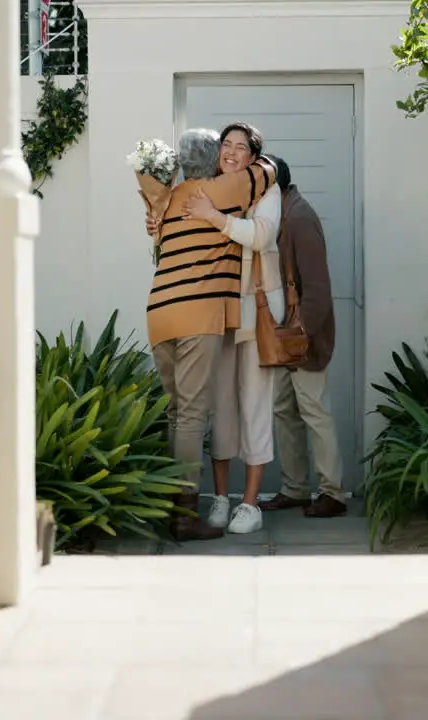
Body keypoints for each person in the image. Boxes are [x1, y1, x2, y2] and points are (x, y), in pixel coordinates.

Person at [146, 128, 279, 541]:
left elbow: (155, 233)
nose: (232, 154)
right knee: (190, 415)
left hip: (159, 314)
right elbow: (271, 172)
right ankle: (184, 516)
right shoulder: (222, 192)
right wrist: (261, 159)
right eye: (226, 147)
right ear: (214, 157)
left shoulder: (167, 201)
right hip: (196, 315)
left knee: (175, 412)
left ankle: (172, 508)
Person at [181, 125, 285, 534]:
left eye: (241, 147)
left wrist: (214, 218)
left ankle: (250, 504)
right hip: (216, 309)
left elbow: (261, 236)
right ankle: (221, 499)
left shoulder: (265, 191)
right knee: (220, 407)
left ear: (252, 157)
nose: (231, 152)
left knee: (255, 404)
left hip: (255, 312)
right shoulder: (207, 186)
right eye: (226, 144)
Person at [258, 156, 347, 518]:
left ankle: (334, 493)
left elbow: (318, 289)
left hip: (301, 338)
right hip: (282, 337)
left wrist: (302, 336)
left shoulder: (299, 218)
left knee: (314, 412)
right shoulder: (279, 215)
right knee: (284, 411)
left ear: (273, 187)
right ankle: (294, 489)